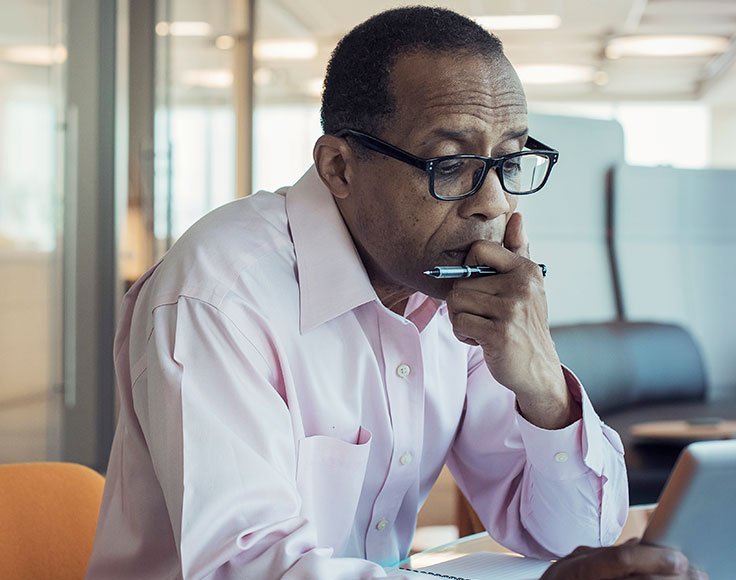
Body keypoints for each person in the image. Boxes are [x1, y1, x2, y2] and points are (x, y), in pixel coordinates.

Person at [86, 6, 699, 580]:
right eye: (450, 164)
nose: (493, 203)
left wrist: (544, 387)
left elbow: (572, 536)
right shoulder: (218, 297)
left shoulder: (455, 290)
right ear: (339, 168)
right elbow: (245, 567)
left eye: (509, 162)